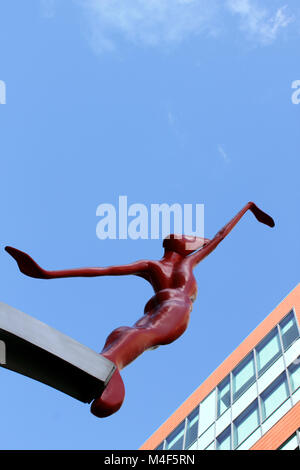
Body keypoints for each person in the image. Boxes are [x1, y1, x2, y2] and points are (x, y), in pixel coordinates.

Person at [5, 201, 274, 418]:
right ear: (182, 247)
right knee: (122, 332)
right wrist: (48, 274)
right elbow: (105, 270)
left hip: (174, 310)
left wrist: (248, 207)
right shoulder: (172, 265)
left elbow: (217, 238)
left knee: (139, 334)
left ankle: (111, 367)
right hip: (163, 307)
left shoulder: (172, 265)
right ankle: (104, 364)